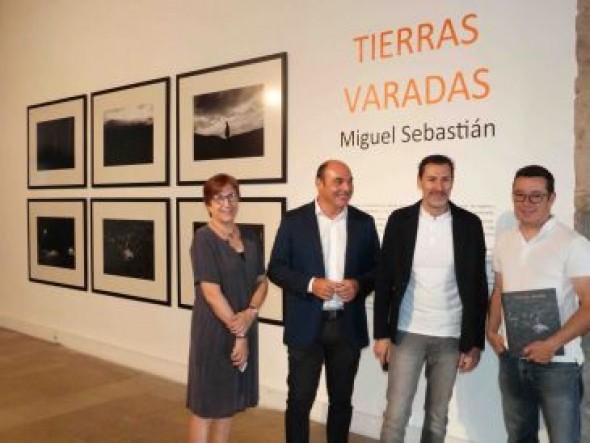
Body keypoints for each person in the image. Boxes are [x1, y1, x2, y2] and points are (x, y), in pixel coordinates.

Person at [373, 154, 489, 443]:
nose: (439, 186)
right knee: (395, 415)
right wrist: (382, 335)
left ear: (452, 181)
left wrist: (474, 341)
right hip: (407, 333)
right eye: (432, 179)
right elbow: (385, 279)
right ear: (420, 182)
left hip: (450, 336)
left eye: (445, 179)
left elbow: (477, 286)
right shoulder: (400, 221)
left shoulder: (469, 224)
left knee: (437, 418)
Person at [267, 159, 380, 443]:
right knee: (299, 401)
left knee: (341, 401)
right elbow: (276, 268)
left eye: (349, 181)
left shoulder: (363, 223)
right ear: (319, 184)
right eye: (338, 182)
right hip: (306, 327)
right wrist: (310, 284)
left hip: (346, 327)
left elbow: (378, 270)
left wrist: (358, 285)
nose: (346, 188)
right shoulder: (294, 221)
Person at [486, 165, 590, 443]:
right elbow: (499, 290)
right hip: (512, 358)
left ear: (551, 198)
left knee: (564, 439)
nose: (526, 203)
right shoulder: (505, 242)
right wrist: (492, 329)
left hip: (558, 363)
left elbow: (589, 306)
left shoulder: (572, 243)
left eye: (536, 196)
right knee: (519, 436)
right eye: (519, 196)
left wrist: (552, 345)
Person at [186, 173, 268, 443]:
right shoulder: (204, 239)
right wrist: (240, 333)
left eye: (231, 196)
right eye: (218, 197)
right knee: (207, 406)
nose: (226, 203)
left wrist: (251, 313)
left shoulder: (251, 239)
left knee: (227, 403)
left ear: (239, 199)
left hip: (243, 325)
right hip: (215, 333)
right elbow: (210, 292)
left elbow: (261, 282)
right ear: (208, 204)